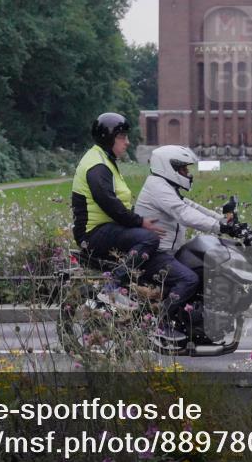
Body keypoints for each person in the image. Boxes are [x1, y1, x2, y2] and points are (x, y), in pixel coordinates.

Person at [134, 145, 245, 339]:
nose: (188, 173)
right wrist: (220, 228)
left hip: (167, 251)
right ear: (169, 168)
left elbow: (190, 205)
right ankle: (159, 324)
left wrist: (222, 220)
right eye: (183, 169)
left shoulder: (166, 186)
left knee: (202, 271)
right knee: (189, 279)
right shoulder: (157, 186)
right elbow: (183, 213)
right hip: (155, 254)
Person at [71, 112, 176, 313]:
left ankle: (133, 291)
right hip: (93, 233)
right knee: (149, 239)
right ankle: (112, 288)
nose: (127, 142)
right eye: (122, 137)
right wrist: (139, 222)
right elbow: (109, 204)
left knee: (146, 239)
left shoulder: (104, 160)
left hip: (103, 228)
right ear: (108, 138)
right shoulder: (97, 166)